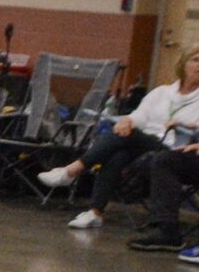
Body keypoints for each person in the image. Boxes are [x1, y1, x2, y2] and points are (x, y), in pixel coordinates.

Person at [42, 46, 199, 231]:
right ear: (183, 63)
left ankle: (73, 170)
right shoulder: (161, 92)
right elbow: (139, 116)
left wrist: (185, 124)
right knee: (119, 152)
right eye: (196, 60)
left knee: (128, 137)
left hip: (174, 151)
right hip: (141, 145)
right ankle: (95, 212)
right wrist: (127, 120)